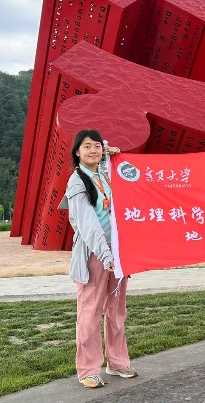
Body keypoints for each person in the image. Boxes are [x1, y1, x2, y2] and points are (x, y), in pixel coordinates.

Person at [59, 129, 138, 388]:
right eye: (87, 146)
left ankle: (117, 362)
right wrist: (106, 255)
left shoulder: (104, 173)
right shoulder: (77, 182)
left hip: (117, 252)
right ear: (77, 152)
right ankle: (88, 370)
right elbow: (87, 224)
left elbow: (106, 153)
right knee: (90, 312)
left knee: (117, 310)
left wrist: (107, 151)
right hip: (94, 254)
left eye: (96, 146)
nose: (93, 150)